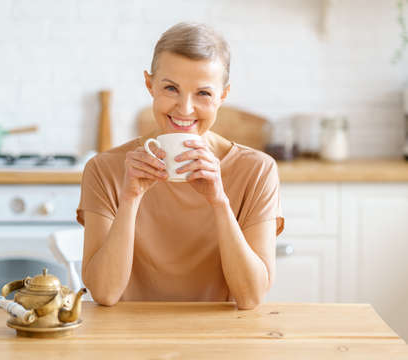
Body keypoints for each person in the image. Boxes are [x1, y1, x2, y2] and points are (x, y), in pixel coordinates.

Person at [76, 22, 284, 310]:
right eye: (171, 88)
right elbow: (104, 293)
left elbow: (250, 297)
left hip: (220, 340)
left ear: (222, 96)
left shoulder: (257, 171)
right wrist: (130, 199)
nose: (185, 109)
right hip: (128, 342)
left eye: (203, 94)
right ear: (150, 85)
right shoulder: (104, 169)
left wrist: (219, 202)